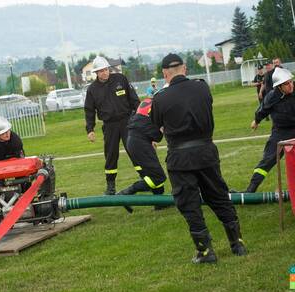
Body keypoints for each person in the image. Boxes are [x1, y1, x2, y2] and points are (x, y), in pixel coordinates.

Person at [151, 53, 247, 264]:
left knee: (189, 203)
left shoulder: (160, 98)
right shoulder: (202, 87)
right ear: (184, 69)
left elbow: (156, 127)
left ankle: (205, 252)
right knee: (219, 196)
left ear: (165, 74)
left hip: (180, 157)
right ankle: (237, 243)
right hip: (206, 152)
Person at [85, 56, 140, 195]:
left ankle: (145, 179)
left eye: (106, 69)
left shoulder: (121, 79)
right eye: (101, 71)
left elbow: (134, 99)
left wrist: (141, 118)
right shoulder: (92, 89)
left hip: (128, 122)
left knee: (135, 151)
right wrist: (90, 129)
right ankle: (110, 187)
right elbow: (89, 110)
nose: (105, 72)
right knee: (110, 155)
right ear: (96, 73)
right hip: (110, 126)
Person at [245, 68, 295, 193]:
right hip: (280, 132)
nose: (291, 85)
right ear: (279, 86)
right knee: (268, 160)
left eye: (291, 82)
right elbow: (262, 110)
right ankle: (250, 190)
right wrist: (256, 121)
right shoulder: (272, 97)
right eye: (287, 83)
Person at [117, 98, 167, 211]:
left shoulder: (151, 101)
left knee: (153, 173)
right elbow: (161, 132)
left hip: (135, 139)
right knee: (158, 177)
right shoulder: (162, 105)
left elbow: (141, 121)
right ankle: (125, 193)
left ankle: (160, 202)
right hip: (140, 142)